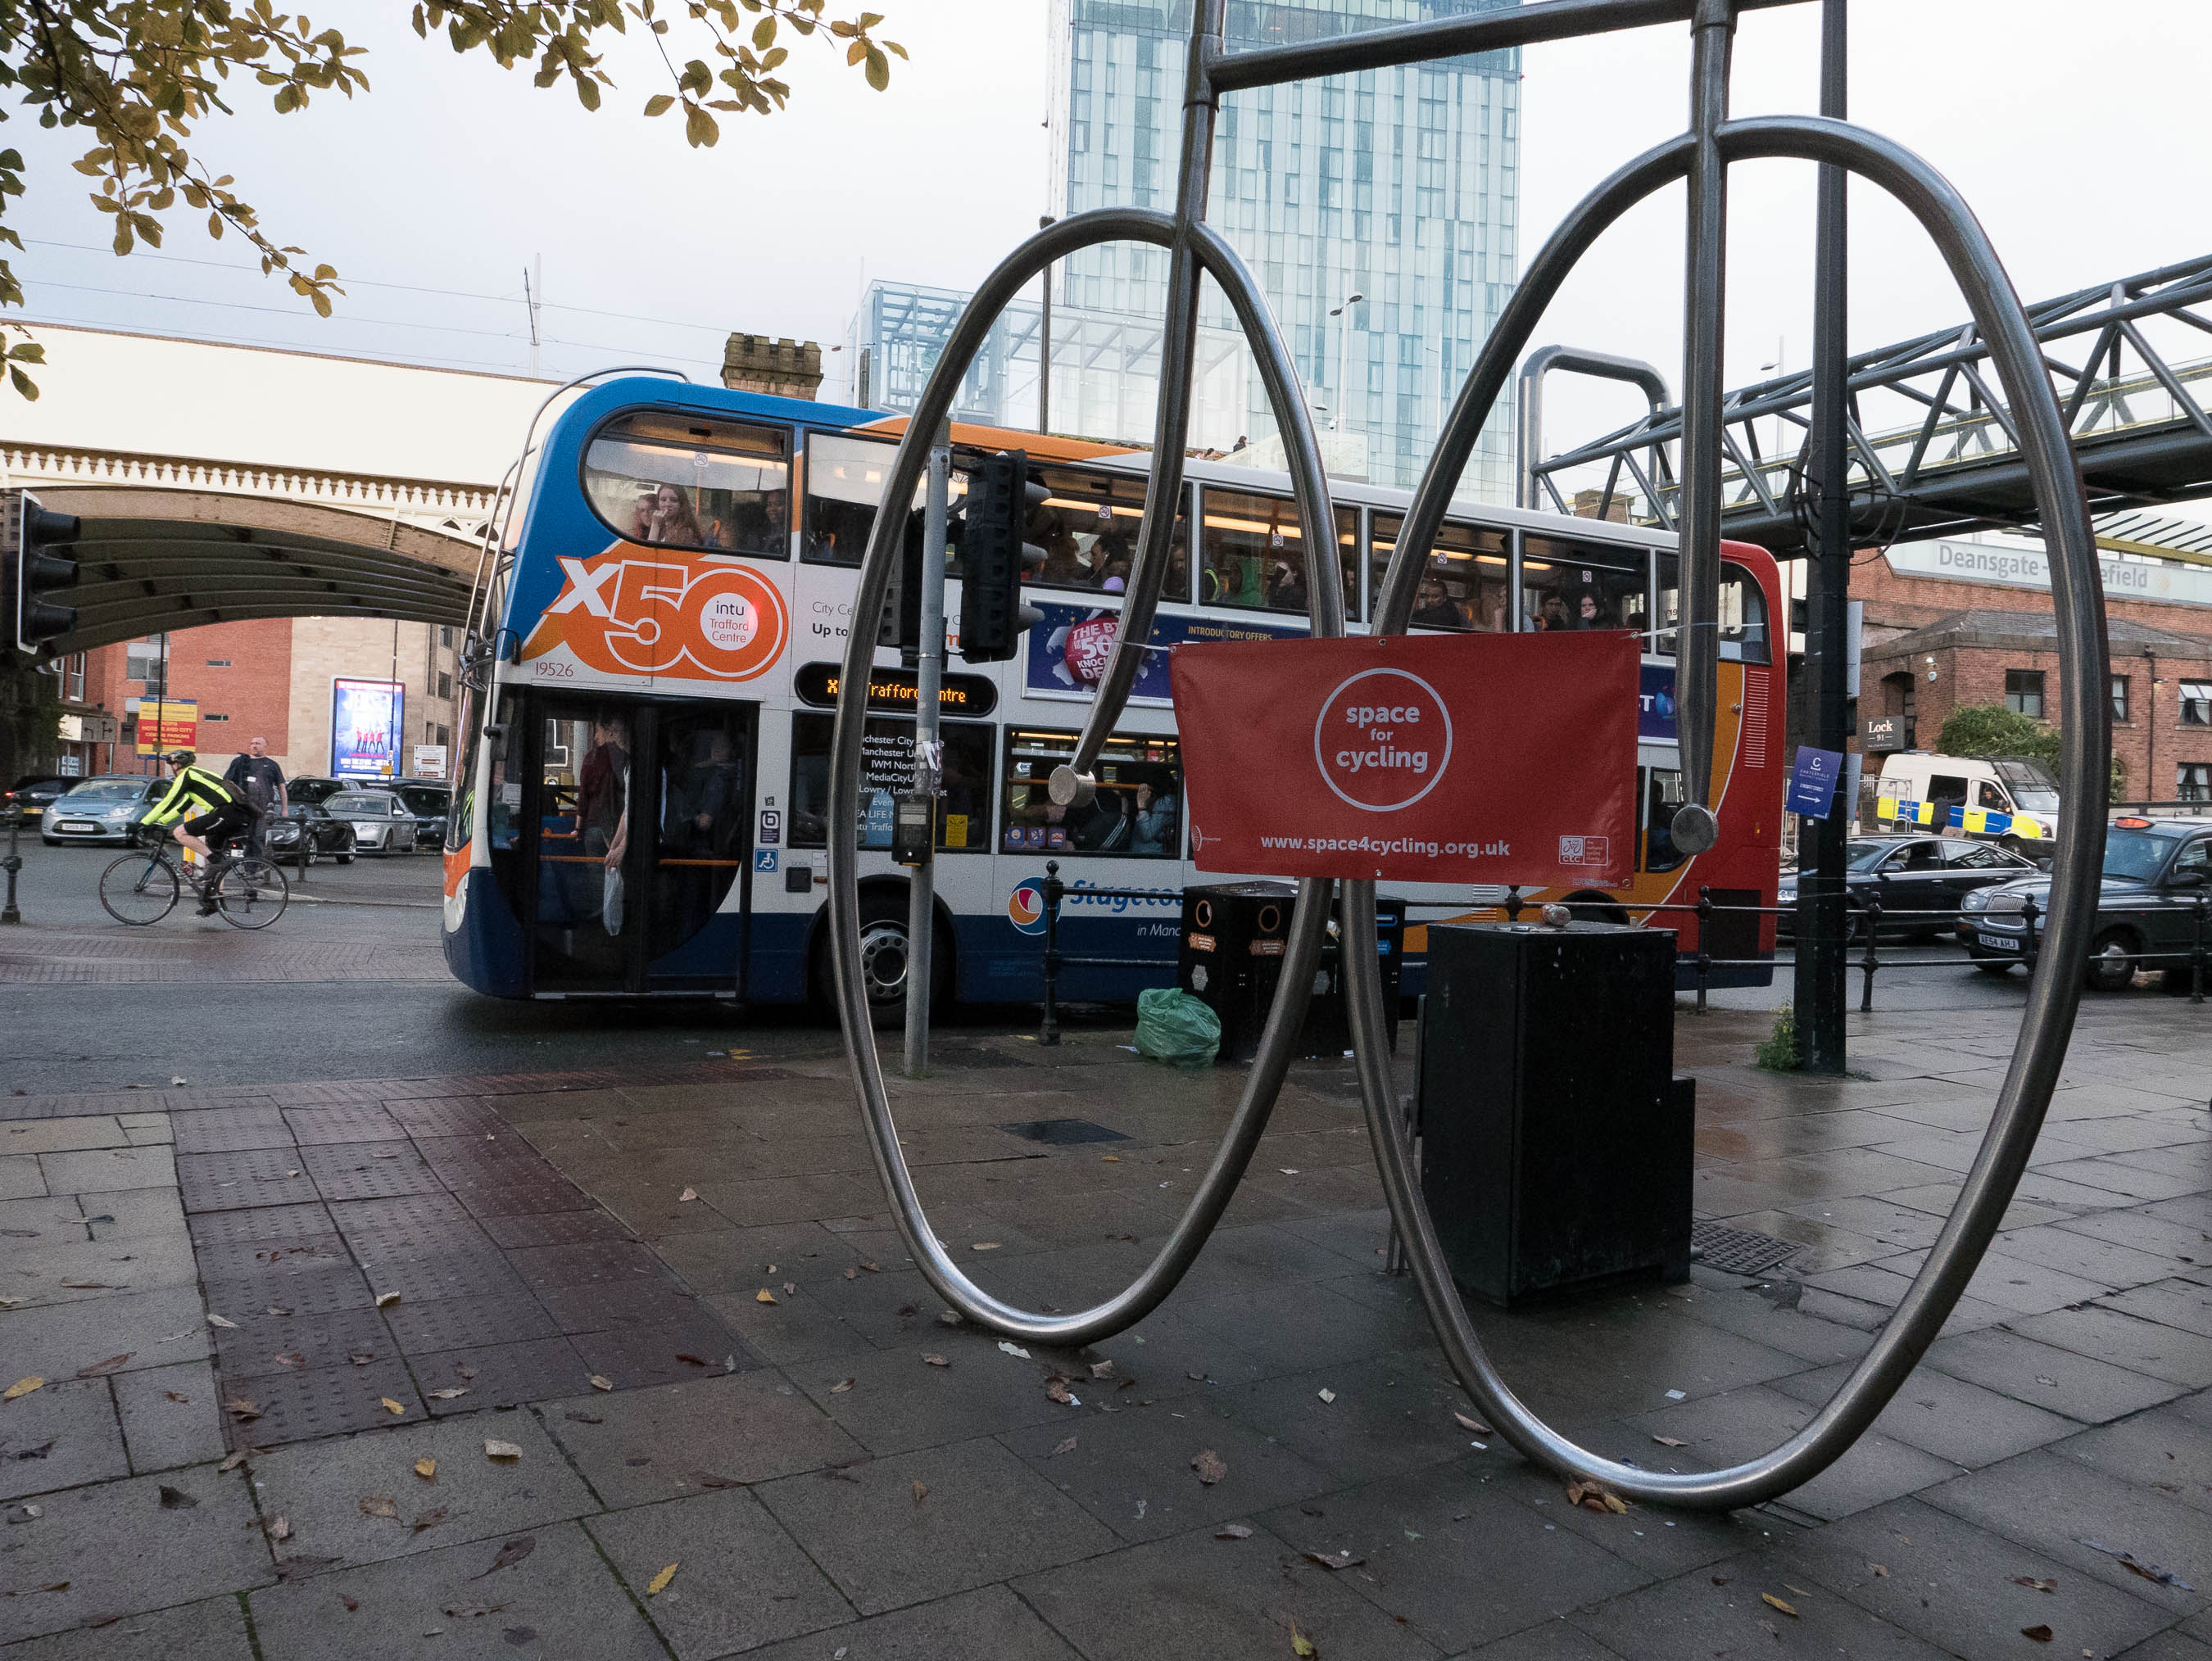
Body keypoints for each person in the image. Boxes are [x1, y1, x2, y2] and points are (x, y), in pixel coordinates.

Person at [142, 749, 257, 916]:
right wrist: (161, 821)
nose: (173, 768)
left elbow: (169, 801)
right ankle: (214, 900)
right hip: (233, 814)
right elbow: (182, 806)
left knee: (180, 832)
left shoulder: (186, 776)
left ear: (177, 765)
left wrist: (144, 822)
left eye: (173, 764)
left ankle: (215, 861)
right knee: (213, 855)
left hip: (226, 813)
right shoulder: (198, 776)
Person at [224, 736, 288, 857]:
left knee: (259, 838)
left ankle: (258, 867)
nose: (254, 746)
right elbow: (227, 783)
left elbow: (282, 787)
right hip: (243, 808)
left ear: (265, 746)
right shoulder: (239, 762)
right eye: (252, 743)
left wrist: (285, 809)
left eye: (258, 743)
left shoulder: (272, 765)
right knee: (243, 837)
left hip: (263, 809)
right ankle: (246, 867)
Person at [629, 482, 705, 548]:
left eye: (673, 500)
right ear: (658, 503)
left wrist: (655, 525)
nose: (667, 504)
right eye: (663, 500)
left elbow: (650, 554)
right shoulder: (665, 526)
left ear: (681, 504)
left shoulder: (685, 531)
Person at [1131, 767, 1179, 855]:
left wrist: (1141, 807)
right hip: (1142, 851)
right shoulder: (1162, 799)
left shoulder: (1165, 802)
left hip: (1148, 853)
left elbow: (1147, 834)